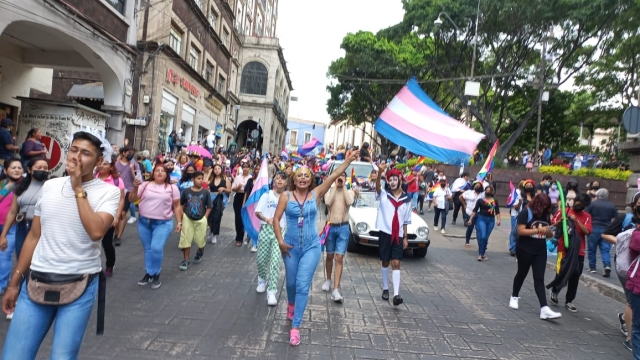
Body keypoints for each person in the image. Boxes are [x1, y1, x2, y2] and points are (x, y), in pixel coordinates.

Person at [1, 131, 120, 358]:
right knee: (14, 355)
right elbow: (34, 236)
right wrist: (15, 282)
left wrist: (78, 189)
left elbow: (96, 231)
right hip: (37, 280)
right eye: (74, 150)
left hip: (80, 283)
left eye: (85, 153)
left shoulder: (109, 192)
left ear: (97, 162)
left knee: (62, 357)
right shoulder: (51, 186)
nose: (76, 157)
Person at [272, 150, 359, 346]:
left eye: (306, 175)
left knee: (303, 285)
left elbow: (335, 175)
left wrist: (347, 161)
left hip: (311, 246)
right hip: (290, 247)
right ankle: (291, 305)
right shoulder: (286, 196)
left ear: (310, 179)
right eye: (299, 175)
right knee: (292, 284)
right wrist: (280, 241)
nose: (303, 178)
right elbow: (276, 219)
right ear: (294, 179)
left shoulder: (316, 193)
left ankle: (295, 326)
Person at [509, 194, 562, 320]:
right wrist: (538, 230)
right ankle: (514, 296)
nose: (545, 208)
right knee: (522, 273)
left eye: (547, 207)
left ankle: (544, 308)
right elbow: (521, 231)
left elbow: (548, 234)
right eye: (543, 206)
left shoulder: (545, 215)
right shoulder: (525, 213)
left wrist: (549, 232)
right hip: (525, 248)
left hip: (540, 250)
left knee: (539, 277)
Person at [130, 163, 183, 289]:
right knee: (148, 249)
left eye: (162, 171)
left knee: (156, 248)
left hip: (163, 223)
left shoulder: (172, 188)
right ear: (153, 173)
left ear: (167, 174)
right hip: (144, 221)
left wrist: (179, 222)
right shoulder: (145, 185)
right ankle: (149, 273)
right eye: (157, 170)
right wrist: (134, 188)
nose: (159, 173)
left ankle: (156, 273)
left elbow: (177, 205)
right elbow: (132, 199)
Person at [602, 192, 640, 351]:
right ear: (634, 203)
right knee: (631, 301)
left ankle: (627, 320)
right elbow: (605, 234)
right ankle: (631, 338)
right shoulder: (625, 219)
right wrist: (623, 240)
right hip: (627, 265)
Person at [373, 163, 411, 306]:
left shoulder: (406, 200)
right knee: (385, 261)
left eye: (396, 179)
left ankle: (396, 294)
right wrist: (379, 175)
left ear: (400, 181)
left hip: (399, 235)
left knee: (396, 262)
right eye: (390, 179)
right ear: (388, 181)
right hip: (385, 232)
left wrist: (405, 237)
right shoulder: (384, 195)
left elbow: (406, 220)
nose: (393, 182)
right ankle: (385, 288)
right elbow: (377, 188)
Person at [549, 193, 592, 313]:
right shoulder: (564, 211)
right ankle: (555, 290)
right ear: (575, 200)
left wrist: (577, 221)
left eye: (583, 205)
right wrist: (560, 222)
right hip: (563, 248)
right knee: (561, 271)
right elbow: (552, 226)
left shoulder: (587, 216)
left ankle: (569, 300)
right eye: (579, 203)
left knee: (575, 275)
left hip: (579, 250)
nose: (580, 206)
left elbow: (587, 231)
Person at [322, 171, 357, 303]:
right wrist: (335, 186)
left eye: (342, 176)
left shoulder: (349, 192)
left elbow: (349, 202)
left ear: (345, 178)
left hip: (343, 227)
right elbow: (327, 202)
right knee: (330, 255)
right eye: (338, 176)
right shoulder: (329, 190)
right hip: (330, 226)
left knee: (339, 257)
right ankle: (328, 279)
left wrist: (345, 188)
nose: (340, 179)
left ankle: (336, 289)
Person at [254, 171, 287, 306]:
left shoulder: (288, 197)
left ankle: (272, 291)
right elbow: (258, 212)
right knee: (261, 259)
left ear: (286, 182)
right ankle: (262, 279)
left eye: (282, 179)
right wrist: (266, 219)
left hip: (281, 230)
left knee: (275, 261)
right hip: (266, 230)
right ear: (274, 181)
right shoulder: (266, 195)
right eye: (277, 178)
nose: (279, 181)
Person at [95, 155, 125, 278]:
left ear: (111, 166)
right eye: (100, 163)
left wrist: (117, 217)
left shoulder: (117, 180)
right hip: (93, 215)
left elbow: (121, 199)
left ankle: (109, 265)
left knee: (107, 243)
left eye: (105, 164)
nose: (101, 166)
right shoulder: (92, 178)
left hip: (108, 216)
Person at [0, 159, 25, 295]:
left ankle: (1, 284)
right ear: (5, 170)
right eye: (13, 167)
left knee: (4, 255)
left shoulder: (24, 186)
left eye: (19, 168)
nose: (17, 170)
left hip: (11, 227)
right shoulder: (1, 184)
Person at [179, 171, 212, 271]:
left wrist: (205, 217)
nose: (200, 180)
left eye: (202, 178)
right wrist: (182, 215)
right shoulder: (186, 191)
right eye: (198, 178)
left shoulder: (205, 192)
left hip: (201, 219)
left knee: (200, 239)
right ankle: (186, 259)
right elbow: (180, 204)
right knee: (186, 239)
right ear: (192, 179)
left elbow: (209, 206)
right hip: (188, 218)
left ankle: (200, 250)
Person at [585, 188, 617, 277]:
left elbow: (586, 215)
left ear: (597, 195)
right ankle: (607, 265)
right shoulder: (612, 205)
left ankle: (592, 267)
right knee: (605, 249)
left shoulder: (592, 204)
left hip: (594, 228)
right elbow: (615, 218)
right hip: (606, 230)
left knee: (592, 249)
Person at [114, 145, 141, 246]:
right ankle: (116, 234)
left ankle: (119, 236)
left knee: (123, 213)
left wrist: (131, 170)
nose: (131, 154)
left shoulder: (135, 165)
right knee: (117, 213)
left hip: (129, 191)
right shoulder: (116, 164)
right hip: (117, 190)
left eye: (132, 152)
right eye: (129, 152)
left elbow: (138, 180)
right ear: (124, 153)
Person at [467, 186, 501, 261]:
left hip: (491, 220)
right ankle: (480, 254)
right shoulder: (480, 200)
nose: (487, 191)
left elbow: (497, 211)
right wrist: (470, 219)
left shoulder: (494, 201)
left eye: (489, 190)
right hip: (481, 219)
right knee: (482, 236)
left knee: (485, 237)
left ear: (492, 192)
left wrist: (499, 220)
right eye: (486, 190)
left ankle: (482, 253)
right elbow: (475, 210)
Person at [208, 164, 230, 244]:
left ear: (221, 170)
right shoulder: (211, 178)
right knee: (209, 216)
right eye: (215, 169)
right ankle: (211, 230)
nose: (217, 170)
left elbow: (229, 190)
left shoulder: (225, 178)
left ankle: (214, 234)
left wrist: (224, 189)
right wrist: (209, 172)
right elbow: (205, 183)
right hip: (211, 197)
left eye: (218, 168)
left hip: (221, 198)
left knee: (217, 216)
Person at [232, 162, 252, 247]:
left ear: (249, 168)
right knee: (238, 218)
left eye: (247, 167)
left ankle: (247, 236)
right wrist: (238, 187)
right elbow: (233, 188)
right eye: (244, 167)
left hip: (247, 197)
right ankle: (239, 237)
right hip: (238, 196)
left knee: (245, 218)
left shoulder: (251, 178)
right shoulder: (238, 177)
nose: (245, 169)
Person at [460, 181, 484, 248]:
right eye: (476, 185)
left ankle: (481, 243)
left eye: (479, 185)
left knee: (479, 228)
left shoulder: (482, 195)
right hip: (469, 212)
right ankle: (467, 241)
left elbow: (491, 192)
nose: (477, 186)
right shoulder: (469, 192)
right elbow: (460, 197)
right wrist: (464, 205)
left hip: (479, 213)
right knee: (470, 228)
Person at [244, 163, 261, 251]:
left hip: (259, 205)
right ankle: (248, 236)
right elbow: (246, 192)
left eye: (259, 169)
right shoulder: (250, 180)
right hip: (250, 204)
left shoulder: (263, 182)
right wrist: (244, 203)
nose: (258, 171)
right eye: (256, 169)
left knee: (256, 223)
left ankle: (255, 243)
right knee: (250, 222)